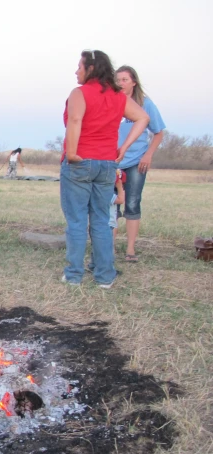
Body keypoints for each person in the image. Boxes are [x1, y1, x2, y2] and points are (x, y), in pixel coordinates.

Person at [60, 50, 149, 288]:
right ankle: (104, 277)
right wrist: (124, 148)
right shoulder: (118, 96)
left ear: (91, 68)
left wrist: (71, 152)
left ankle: (74, 275)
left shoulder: (80, 92)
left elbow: (76, 120)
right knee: (101, 220)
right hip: (107, 164)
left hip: (80, 162)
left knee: (77, 220)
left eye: (79, 66)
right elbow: (142, 118)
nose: (76, 71)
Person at [115, 65, 166, 263]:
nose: (120, 83)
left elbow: (159, 132)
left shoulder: (145, 103)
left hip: (136, 160)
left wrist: (148, 155)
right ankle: (108, 247)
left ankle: (130, 249)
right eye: (117, 80)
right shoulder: (112, 101)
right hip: (113, 161)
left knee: (132, 203)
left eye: (124, 80)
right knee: (111, 205)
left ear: (133, 82)